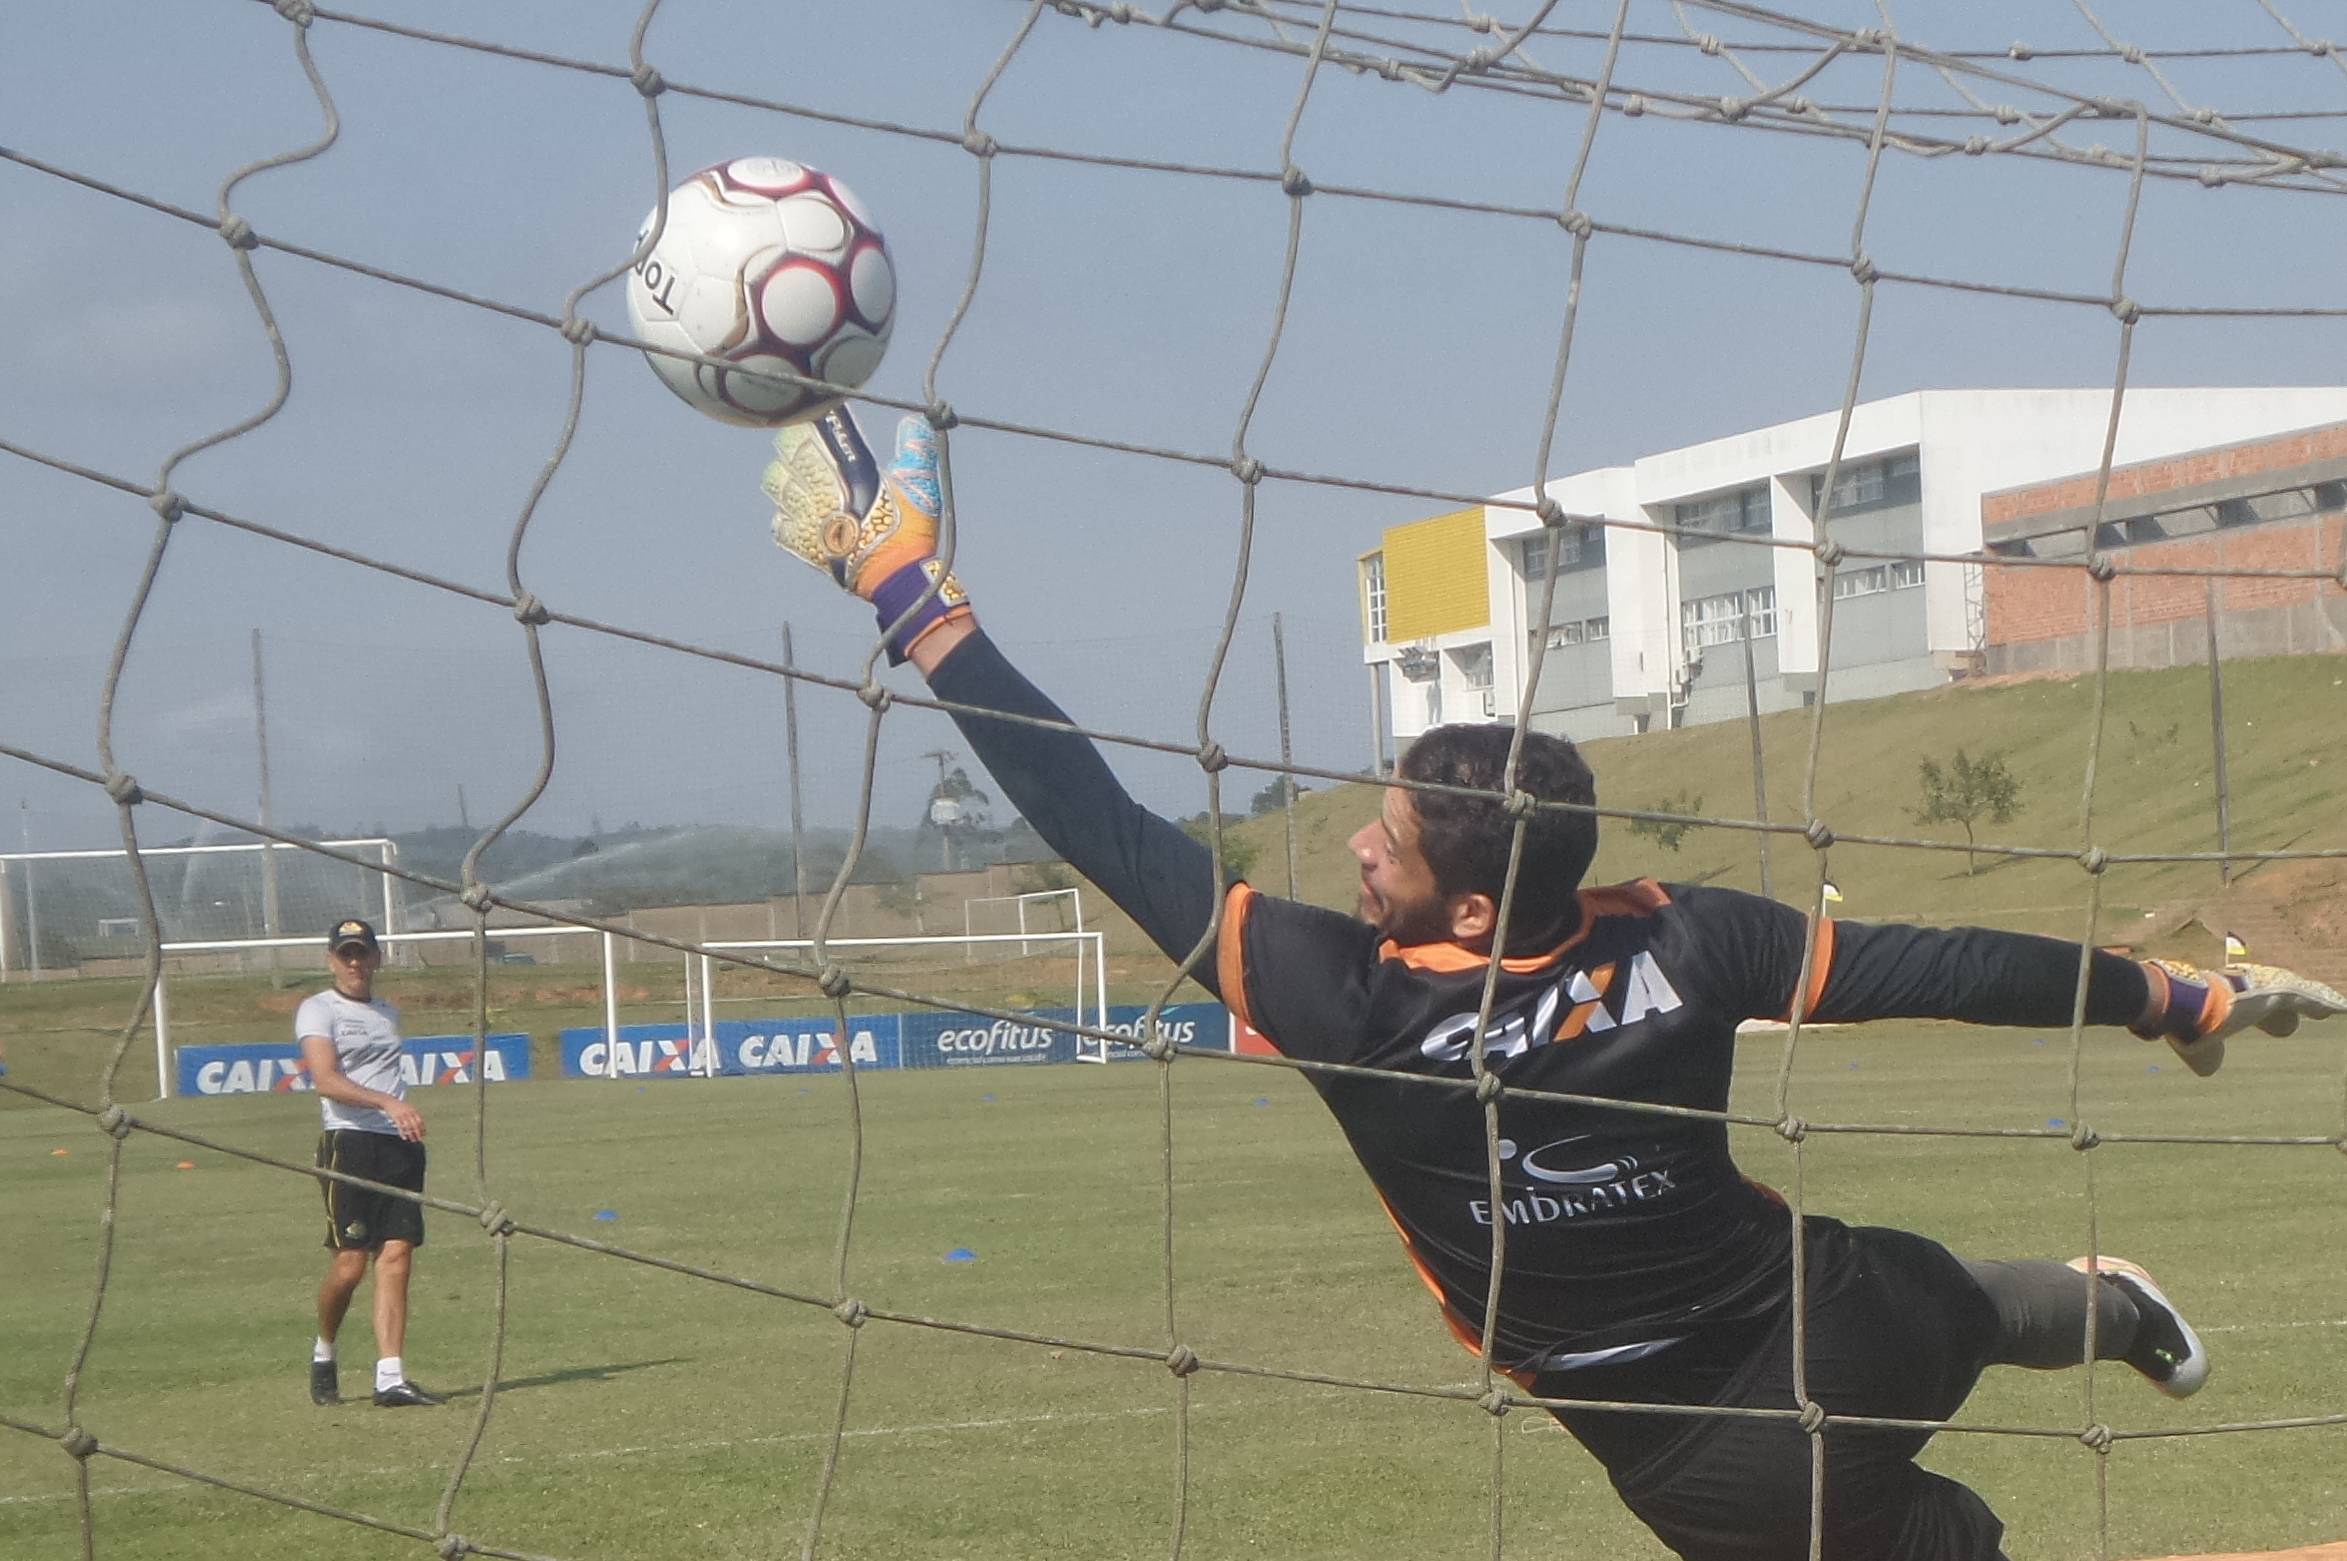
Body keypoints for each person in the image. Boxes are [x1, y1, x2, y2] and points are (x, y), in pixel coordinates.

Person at [761, 409, 2347, 1559]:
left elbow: (1090, 814)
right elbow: (1936, 963)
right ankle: (2103, 1311)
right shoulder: (1671, 934)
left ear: (1459, 893)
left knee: (1934, 1413)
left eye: (1380, 837)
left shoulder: (1338, 998)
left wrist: (918, 602)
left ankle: (2102, 1319)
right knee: (1954, 1335)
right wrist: (2167, 999)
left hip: (1728, 1413)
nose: (1354, 854)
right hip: (1792, 1351)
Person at [298, 917, 441, 1409]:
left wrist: (397, 1114)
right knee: (350, 1264)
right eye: (346, 954)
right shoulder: (318, 1010)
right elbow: (324, 1079)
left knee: (397, 1256)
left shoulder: (386, 1012)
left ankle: (390, 1377)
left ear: (378, 958)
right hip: (350, 1143)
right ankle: (324, 1352)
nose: (355, 963)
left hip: (398, 1146)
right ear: (332, 960)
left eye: (363, 953)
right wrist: (387, 1103)